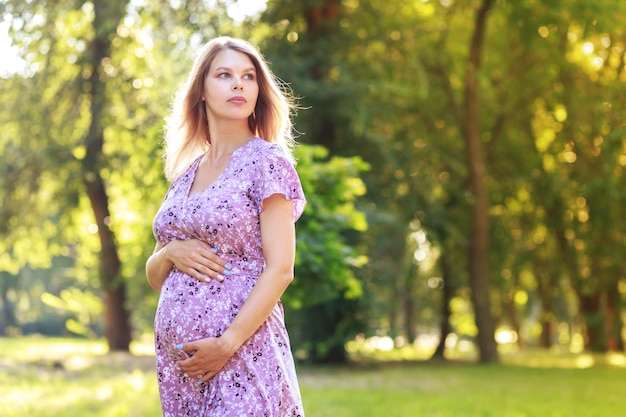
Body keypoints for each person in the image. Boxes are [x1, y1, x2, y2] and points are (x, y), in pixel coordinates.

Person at [146, 36, 306, 417]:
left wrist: (227, 342)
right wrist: (170, 252)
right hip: (182, 370)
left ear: (258, 90)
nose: (238, 84)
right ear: (201, 89)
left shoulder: (266, 161)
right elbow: (155, 276)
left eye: (248, 76)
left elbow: (281, 269)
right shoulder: (186, 174)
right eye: (224, 75)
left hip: (243, 352)